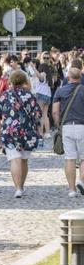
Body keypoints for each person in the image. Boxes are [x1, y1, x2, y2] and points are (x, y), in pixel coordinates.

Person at [0, 70, 42, 198]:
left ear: (11, 81)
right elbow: (38, 114)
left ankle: (17, 189)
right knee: (24, 160)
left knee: (15, 160)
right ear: (24, 81)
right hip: (27, 132)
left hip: (10, 132)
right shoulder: (29, 95)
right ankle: (22, 186)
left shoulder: (4, 95)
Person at [52, 67, 84, 198]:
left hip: (67, 127)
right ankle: (82, 181)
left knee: (70, 159)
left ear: (68, 77)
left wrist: (58, 125)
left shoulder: (60, 91)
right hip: (82, 126)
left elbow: (55, 111)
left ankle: (72, 190)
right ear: (80, 78)